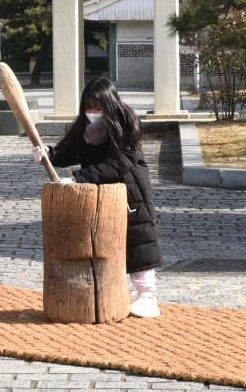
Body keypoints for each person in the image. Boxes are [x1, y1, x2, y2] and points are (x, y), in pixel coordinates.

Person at [33, 77, 163, 318]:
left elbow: (119, 163)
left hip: (130, 192)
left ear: (109, 105)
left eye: (98, 108)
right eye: (89, 107)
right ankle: (107, 293)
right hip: (99, 192)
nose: (93, 112)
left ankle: (148, 296)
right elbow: (71, 151)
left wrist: (79, 178)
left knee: (138, 239)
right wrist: (50, 154)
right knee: (102, 241)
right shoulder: (85, 129)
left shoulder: (125, 124)